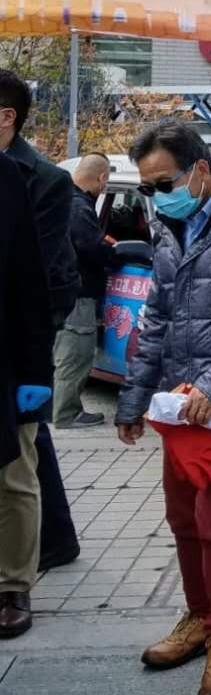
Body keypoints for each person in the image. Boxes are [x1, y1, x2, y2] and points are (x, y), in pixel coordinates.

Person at [114, 121, 211, 695]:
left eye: (163, 184)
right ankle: (199, 616)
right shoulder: (167, 224)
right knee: (183, 518)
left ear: (201, 169)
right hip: (179, 408)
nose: (156, 197)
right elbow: (157, 316)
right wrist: (133, 399)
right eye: (146, 188)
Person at [0, 70, 81, 578]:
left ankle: (38, 554)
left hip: (34, 312)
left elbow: (36, 264)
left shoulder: (44, 179)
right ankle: (52, 539)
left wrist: (33, 362)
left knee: (24, 431)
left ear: (7, 117)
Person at [0, 152, 55, 639]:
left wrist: (37, 371)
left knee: (14, 476)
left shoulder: (8, 177)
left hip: (7, 360)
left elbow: (29, 278)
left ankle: (13, 586)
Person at [53, 153, 117, 429]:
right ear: (102, 178)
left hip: (62, 290)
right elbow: (91, 247)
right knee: (75, 354)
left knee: (65, 353)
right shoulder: (78, 207)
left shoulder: (62, 198)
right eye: (107, 182)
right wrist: (115, 253)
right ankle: (66, 414)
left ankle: (57, 408)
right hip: (77, 294)